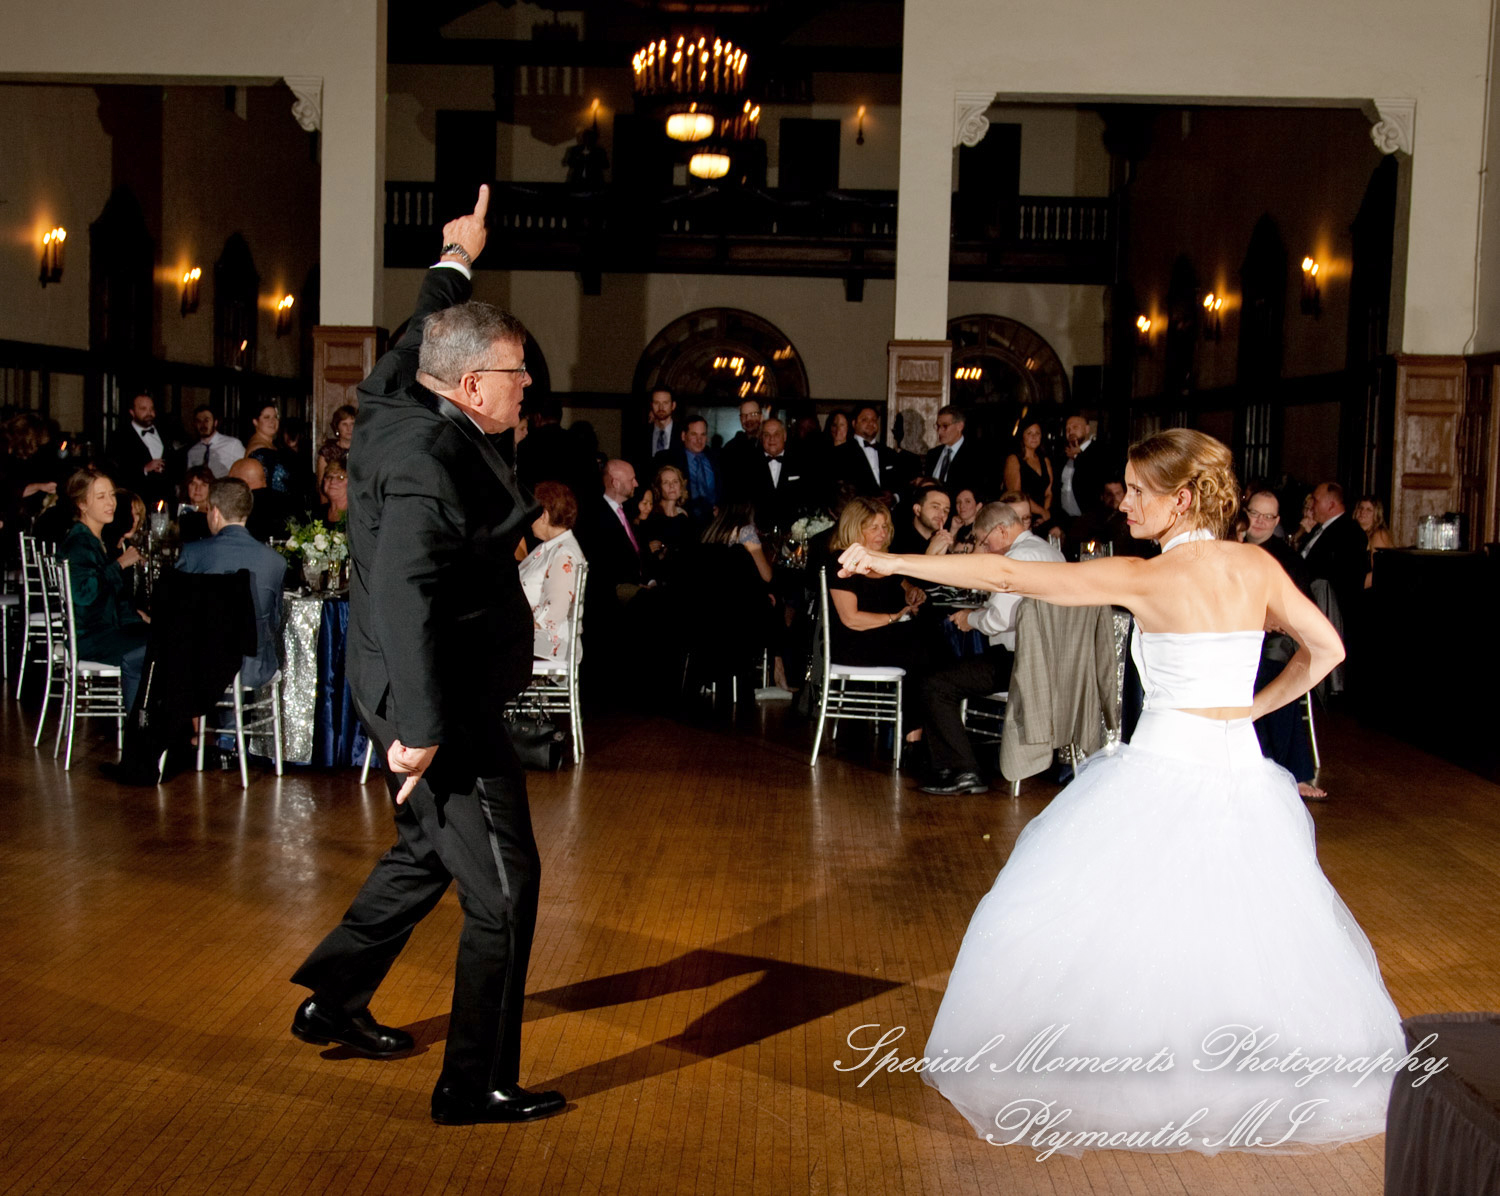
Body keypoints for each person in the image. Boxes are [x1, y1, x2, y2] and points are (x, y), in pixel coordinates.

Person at [837, 428, 1402, 1154]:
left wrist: (888, 560)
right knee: (1239, 926)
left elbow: (1007, 575)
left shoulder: (1148, 578)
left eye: (1139, 491)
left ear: (1183, 498)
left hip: (1162, 768)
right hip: (1240, 769)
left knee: (1121, 924)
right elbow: (1328, 649)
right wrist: (1252, 711)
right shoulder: (1257, 566)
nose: (1126, 503)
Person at [289, 187, 565, 1127]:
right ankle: (473, 1083)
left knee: (427, 853)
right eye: (518, 373)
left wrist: (457, 256)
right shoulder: (424, 464)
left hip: (420, 683)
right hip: (439, 698)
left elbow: (421, 330)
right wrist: (419, 731)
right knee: (507, 886)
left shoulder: (394, 392)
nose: (528, 385)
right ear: (473, 386)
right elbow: (405, 596)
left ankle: (336, 994)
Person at [918, 500, 1063, 795]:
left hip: (1022, 662)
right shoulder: (1050, 551)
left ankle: (963, 771)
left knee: (935, 684)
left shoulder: (1017, 558)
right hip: (1054, 660)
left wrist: (970, 619)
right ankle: (947, 766)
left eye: (985, 542)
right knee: (952, 673)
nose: (986, 550)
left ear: (1001, 531)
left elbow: (999, 619)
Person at [1243, 488, 1324, 799]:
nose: (1260, 521)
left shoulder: (1287, 558)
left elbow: (1299, 610)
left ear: (1277, 521)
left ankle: (1292, 772)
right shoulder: (1230, 548)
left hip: (1276, 640)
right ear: (1245, 513)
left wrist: (1263, 621)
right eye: (1255, 513)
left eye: (1268, 516)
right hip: (1237, 636)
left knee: (1274, 673)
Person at [826, 497, 930, 733]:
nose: (882, 533)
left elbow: (904, 588)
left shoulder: (884, 561)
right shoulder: (842, 563)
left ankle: (916, 732)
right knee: (921, 652)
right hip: (854, 643)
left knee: (929, 642)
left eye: (884, 527)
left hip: (885, 639)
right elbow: (851, 619)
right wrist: (894, 617)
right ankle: (913, 734)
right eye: (873, 528)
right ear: (855, 529)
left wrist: (912, 593)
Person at [175, 478, 287, 689]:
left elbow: (176, 613)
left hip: (202, 666)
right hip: (253, 669)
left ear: (215, 512)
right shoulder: (276, 561)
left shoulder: (193, 554)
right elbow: (275, 622)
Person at [57, 468, 150, 709]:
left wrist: (135, 616)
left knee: (169, 639)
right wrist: (118, 565)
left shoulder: (94, 540)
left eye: (112, 495)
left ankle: (147, 721)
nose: (110, 503)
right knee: (164, 648)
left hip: (104, 632)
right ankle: (141, 723)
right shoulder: (79, 544)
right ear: (82, 504)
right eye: (100, 497)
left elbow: (111, 598)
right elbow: (84, 594)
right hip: (92, 639)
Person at [519, 481, 587, 662]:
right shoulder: (549, 548)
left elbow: (555, 611)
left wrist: (518, 626)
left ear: (544, 515)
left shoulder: (564, 553)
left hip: (546, 643)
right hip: (528, 637)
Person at [1301, 481, 1368, 626]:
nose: (1311, 506)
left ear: (1331, 505)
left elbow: (1342, 577)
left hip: (1327, 611)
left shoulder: (1349, 532)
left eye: (1315, 501)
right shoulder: (1320, 528)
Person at [107, 392, 174, 509]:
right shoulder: (119, 436)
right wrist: (145, 469)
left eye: (151, 409)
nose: (149, 413)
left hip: (166, 499)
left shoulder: (166, 431)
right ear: (132, 412)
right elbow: (116, 471)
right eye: (143, 409)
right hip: (137, 501)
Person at [833, 405, 901, 501]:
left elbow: (902, 484)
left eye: (874, 420)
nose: (870, 423)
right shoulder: (840, 453)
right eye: (864, 420)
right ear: (854, 424)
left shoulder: (890, 453)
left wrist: (894, 498)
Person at [924, 406, 984, 499]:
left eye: (945, 426)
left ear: (960, 426)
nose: (939, 431)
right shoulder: (932, 454)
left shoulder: (976, 455)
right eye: (938, 426)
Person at [641, 463, 695, 565]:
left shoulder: (683, 517)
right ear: (658, 488)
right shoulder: (651, 517)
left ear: (681, 486)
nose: (672, 486)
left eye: (675, 481)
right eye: (666, 482)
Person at [1003, 418, 1052, 525]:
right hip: (1020, 516)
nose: (1034, 437)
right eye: (1029, 433)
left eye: (1037, 433)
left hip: (1043, 517)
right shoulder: (1013, 460)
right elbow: (1016, 495)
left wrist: (1045, 514)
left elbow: (1049, 492)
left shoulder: (1045, 460)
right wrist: (1041, 511)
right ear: (1022, 436)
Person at [244, 402, 292, 493]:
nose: (272, 421)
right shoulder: (259, 449)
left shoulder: (273, 444)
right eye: (267, 417)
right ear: (255, 422)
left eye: (275, 417)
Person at [184, 406, 245, 478]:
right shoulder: (192, 452)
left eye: (206, 420)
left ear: (215, 423)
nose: (203, 425)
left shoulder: (233, 444)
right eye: (199, 421)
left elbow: (244, 469)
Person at [1352, 495, 1394, 587]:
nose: (1363, 512)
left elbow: (1379, 572)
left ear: (1377, 514)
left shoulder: (1379, 534)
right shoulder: (1356, 534)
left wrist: (1354, 587)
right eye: (1361, 508)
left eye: (1369, 510)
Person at [316, 405, 357, 488]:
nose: (349, 428)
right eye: (344, 424)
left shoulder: (365, 450)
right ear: (337, 427)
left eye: (352, 424)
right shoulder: (327, 452)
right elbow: (321, 486)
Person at [176, 466, 215, 543]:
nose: (198, 489)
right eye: (193, 484)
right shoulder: (178, 511)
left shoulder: (215, 515)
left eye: (203, 485)